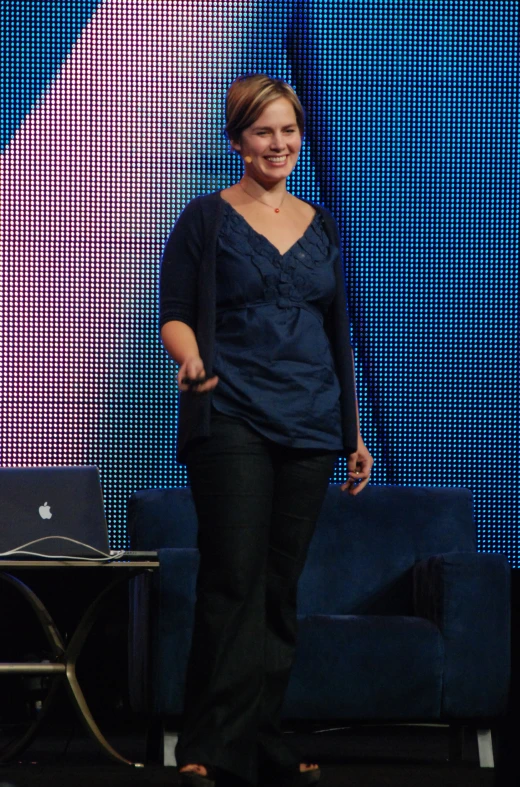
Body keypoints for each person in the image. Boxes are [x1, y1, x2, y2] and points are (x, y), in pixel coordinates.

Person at [159, 73, 373, 787]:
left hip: (311, 420)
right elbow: (177, 311)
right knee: (233, 579)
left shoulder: (321, 223)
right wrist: (191, 360)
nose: (278, 144)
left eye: (288, 130)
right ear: (237, 141)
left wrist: (352, 431)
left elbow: (334, 333)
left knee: (279, 587)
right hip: (233, 414)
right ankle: (210, 745)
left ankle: (262, 739)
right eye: (263, 132)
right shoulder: (206, 219)